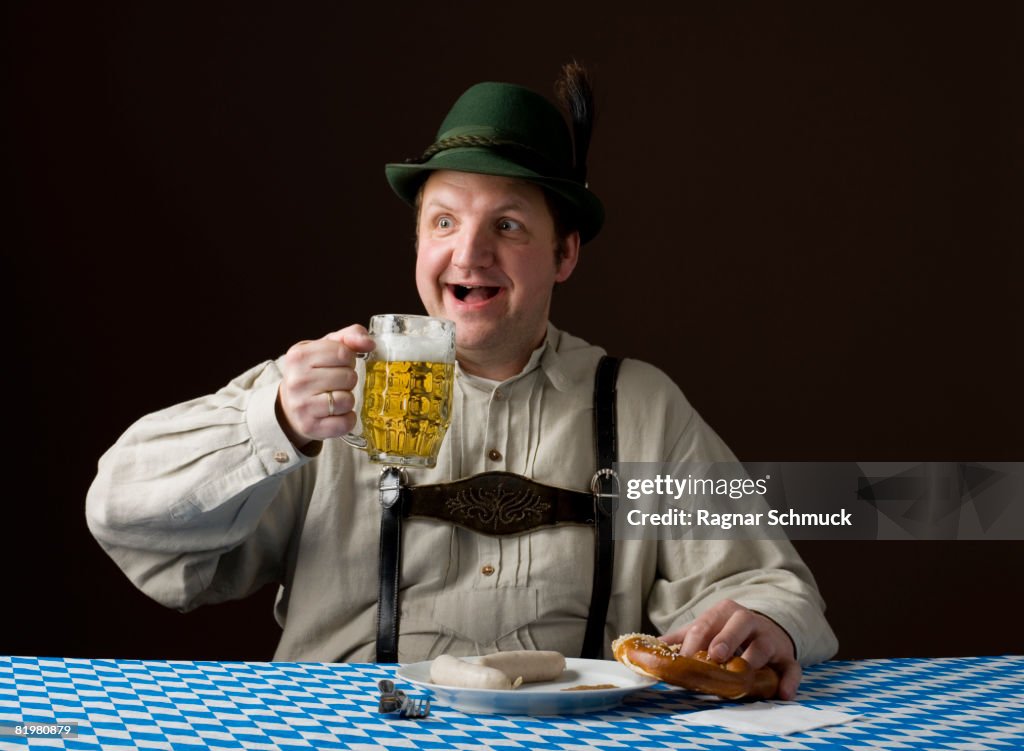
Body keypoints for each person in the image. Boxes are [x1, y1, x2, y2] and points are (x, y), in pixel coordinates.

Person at [86, 63, 837, 699]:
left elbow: (769, 582)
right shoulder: (324, 389)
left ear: (565, 252)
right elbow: (122, 512)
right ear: (417, 241)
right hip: (348, 740)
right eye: (443, 222)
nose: (468, 254)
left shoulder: (638, 403)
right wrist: (270, 423)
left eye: (507, 225)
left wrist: (763, 621)